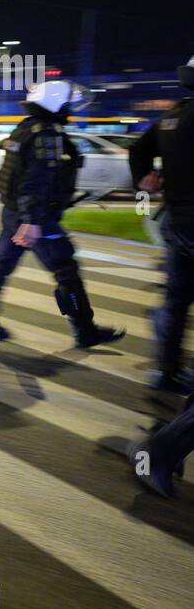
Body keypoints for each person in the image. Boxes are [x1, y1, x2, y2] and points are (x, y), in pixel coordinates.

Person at [0, 80, 125, 348]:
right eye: (66, 105)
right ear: (56, 104)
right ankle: (85, 331)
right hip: (36, 218)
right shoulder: (47, 135)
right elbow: (37, 181)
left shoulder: (25, 128)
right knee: (66, 271)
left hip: (14, 213)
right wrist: (32, 222)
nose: (69, 109)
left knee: (0, 266)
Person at [128, 55, 194, 393]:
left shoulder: (173, 115)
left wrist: (144, 179)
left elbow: (138, 150)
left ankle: (166, 371)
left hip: (176, 221)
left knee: (177, 298)